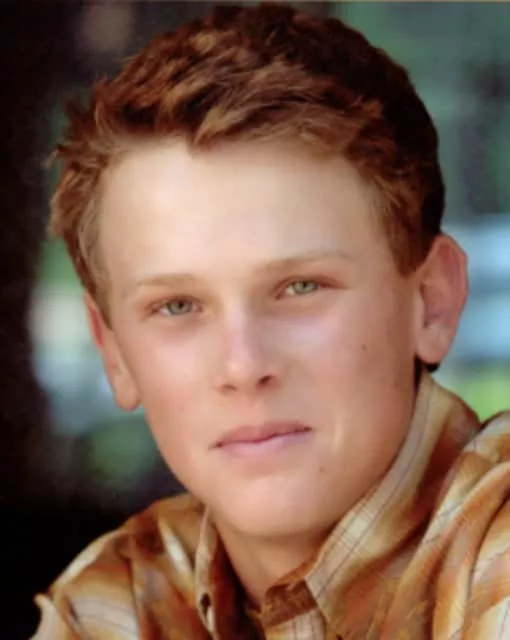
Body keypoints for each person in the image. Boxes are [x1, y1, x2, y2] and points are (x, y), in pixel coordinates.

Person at [31, 3, 510, 639]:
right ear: (113, 350)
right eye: (177, 306)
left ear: (432, 301)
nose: (243, 365)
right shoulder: (118, 606)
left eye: (300, 287)